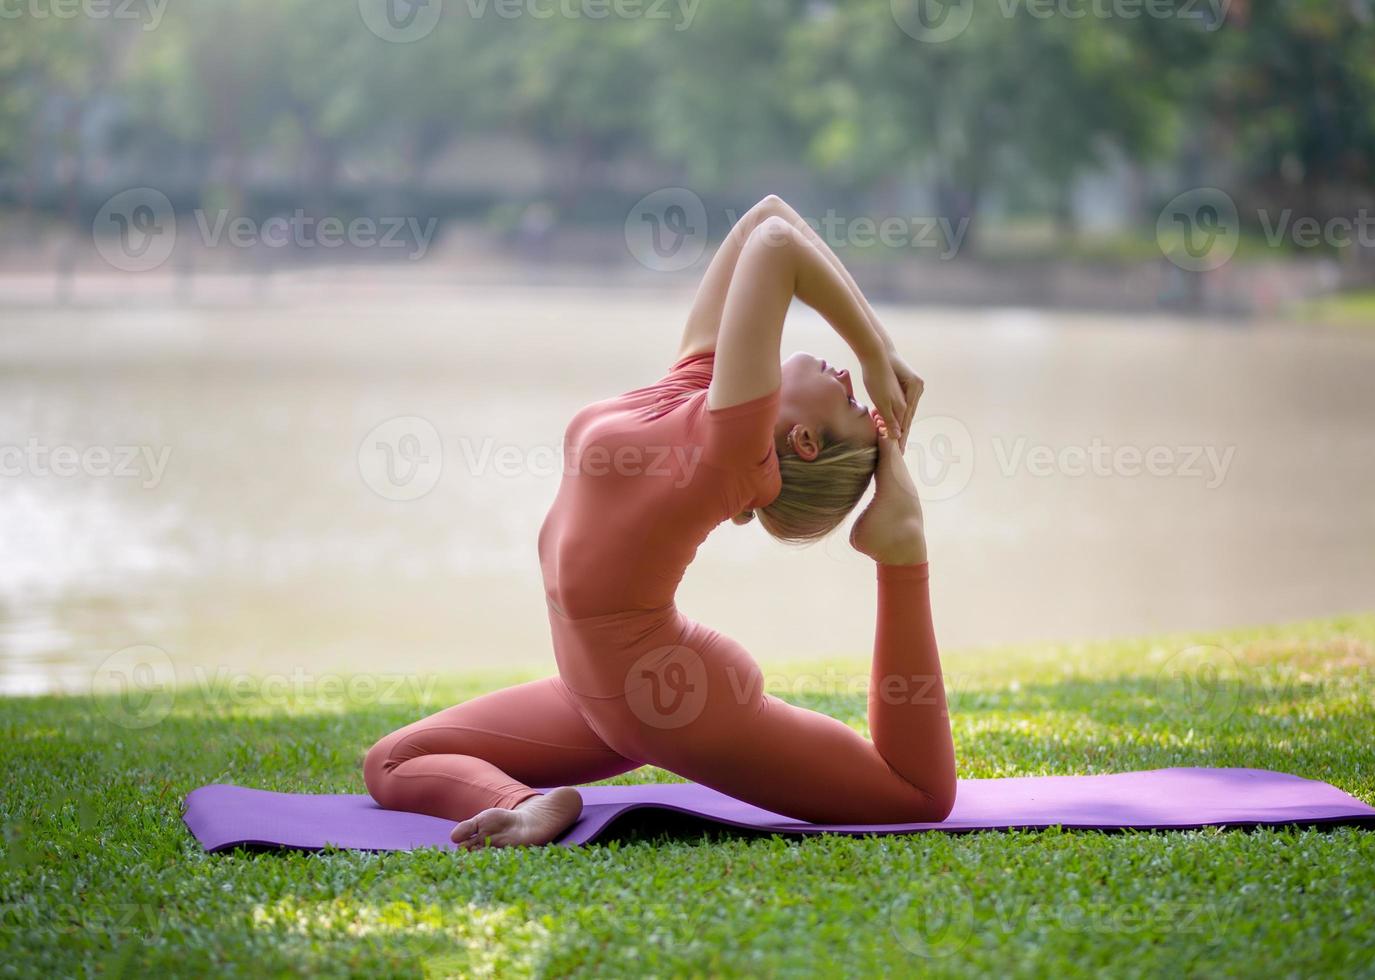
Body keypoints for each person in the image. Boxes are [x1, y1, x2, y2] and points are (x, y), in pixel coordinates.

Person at [363, 195, 957, 847]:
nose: (846, 374)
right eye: (853, 385)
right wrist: (879, 351)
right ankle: (528, 808)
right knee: (391, 760)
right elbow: (766, 218)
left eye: (845, 397)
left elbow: (780, 247)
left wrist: (875, 354)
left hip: (669, 694)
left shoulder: (733, 448)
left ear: (805, 443)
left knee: (916, 793)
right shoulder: (693, 390)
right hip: (593, 689)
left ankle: (901, 547)